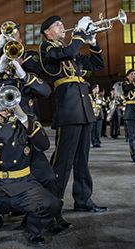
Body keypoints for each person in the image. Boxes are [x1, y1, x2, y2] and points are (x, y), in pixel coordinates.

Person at [0, 92, 61, 246]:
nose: (4, 106)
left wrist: (22, 115)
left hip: (24, 181)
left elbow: (44, 145)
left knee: (52, 205)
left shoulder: (26, 122)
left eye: (7, 100)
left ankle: (33, 231)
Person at [39, 15, 107, 213]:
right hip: (68, 109)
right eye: (57, 25)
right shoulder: (48, 48)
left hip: (84, 109)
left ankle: (83, 200)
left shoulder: (72, 53)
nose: (62, 27)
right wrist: (78, 34)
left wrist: (93, 43)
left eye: (62, 24)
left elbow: (97, 65)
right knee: (63, 160)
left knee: (82, 160)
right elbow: (65, 52)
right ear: (47, 32)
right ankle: (52, 202)